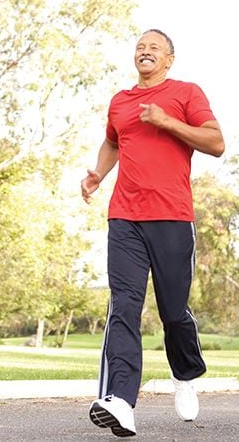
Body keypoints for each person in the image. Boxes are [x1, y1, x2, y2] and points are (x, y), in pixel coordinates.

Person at [81, 29, 225, 438]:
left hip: (173, 217)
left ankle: (185, 374)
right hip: (124, 216)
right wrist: (97, 174)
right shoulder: (120, 101)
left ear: (169, 59)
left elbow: (216, 143)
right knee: (123, 305)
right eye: (140, 47)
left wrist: (167, 121)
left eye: (154, 48)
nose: (145, 52)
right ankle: (121, 401)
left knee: (173, 310)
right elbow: (112, 142)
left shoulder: (186, 93)